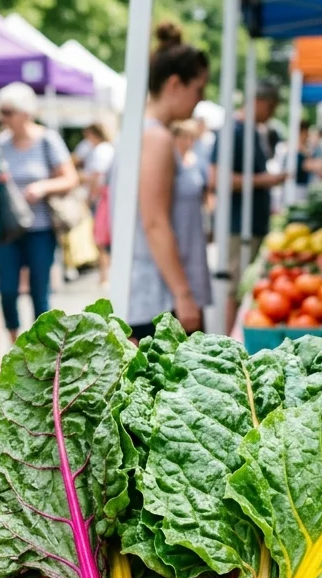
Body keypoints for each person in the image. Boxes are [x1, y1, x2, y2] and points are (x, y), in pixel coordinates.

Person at [127, 22, 211, 340]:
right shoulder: (156, 138)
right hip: (159, 302)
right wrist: (184, 294)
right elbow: (154, 222)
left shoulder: (152, 134)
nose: (200, 100)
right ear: (175, 84)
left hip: (162, 297)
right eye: (198, 89)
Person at [0, 82, 78, 339]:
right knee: (7, 289)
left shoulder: (47, 140)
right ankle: (15, 345)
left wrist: (42, 187)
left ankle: (43, 347)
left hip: (40, 227)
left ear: (25, 113)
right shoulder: (0, 143)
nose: (4, 118)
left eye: (9, 112)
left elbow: (70, 178)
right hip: (10, 228)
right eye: (2, 112)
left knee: (39, 291)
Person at [211, 78, 286, 330]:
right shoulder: (233, 130)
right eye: (272, 106)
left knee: (241, 285)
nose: (273, 113)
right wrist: (266, 180)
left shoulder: (254, 131)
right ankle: (224, 339)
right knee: (232, 286)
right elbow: (217, 178)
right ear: (261, 102)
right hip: (236, 225)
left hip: (251, 224)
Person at [82, 122, 115, 287]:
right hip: (108, 197)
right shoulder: (109, 148)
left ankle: (104, 276)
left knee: (101, 239)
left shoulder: (99, 151)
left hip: (102, 199)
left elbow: (96, 177)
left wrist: (89, 199)